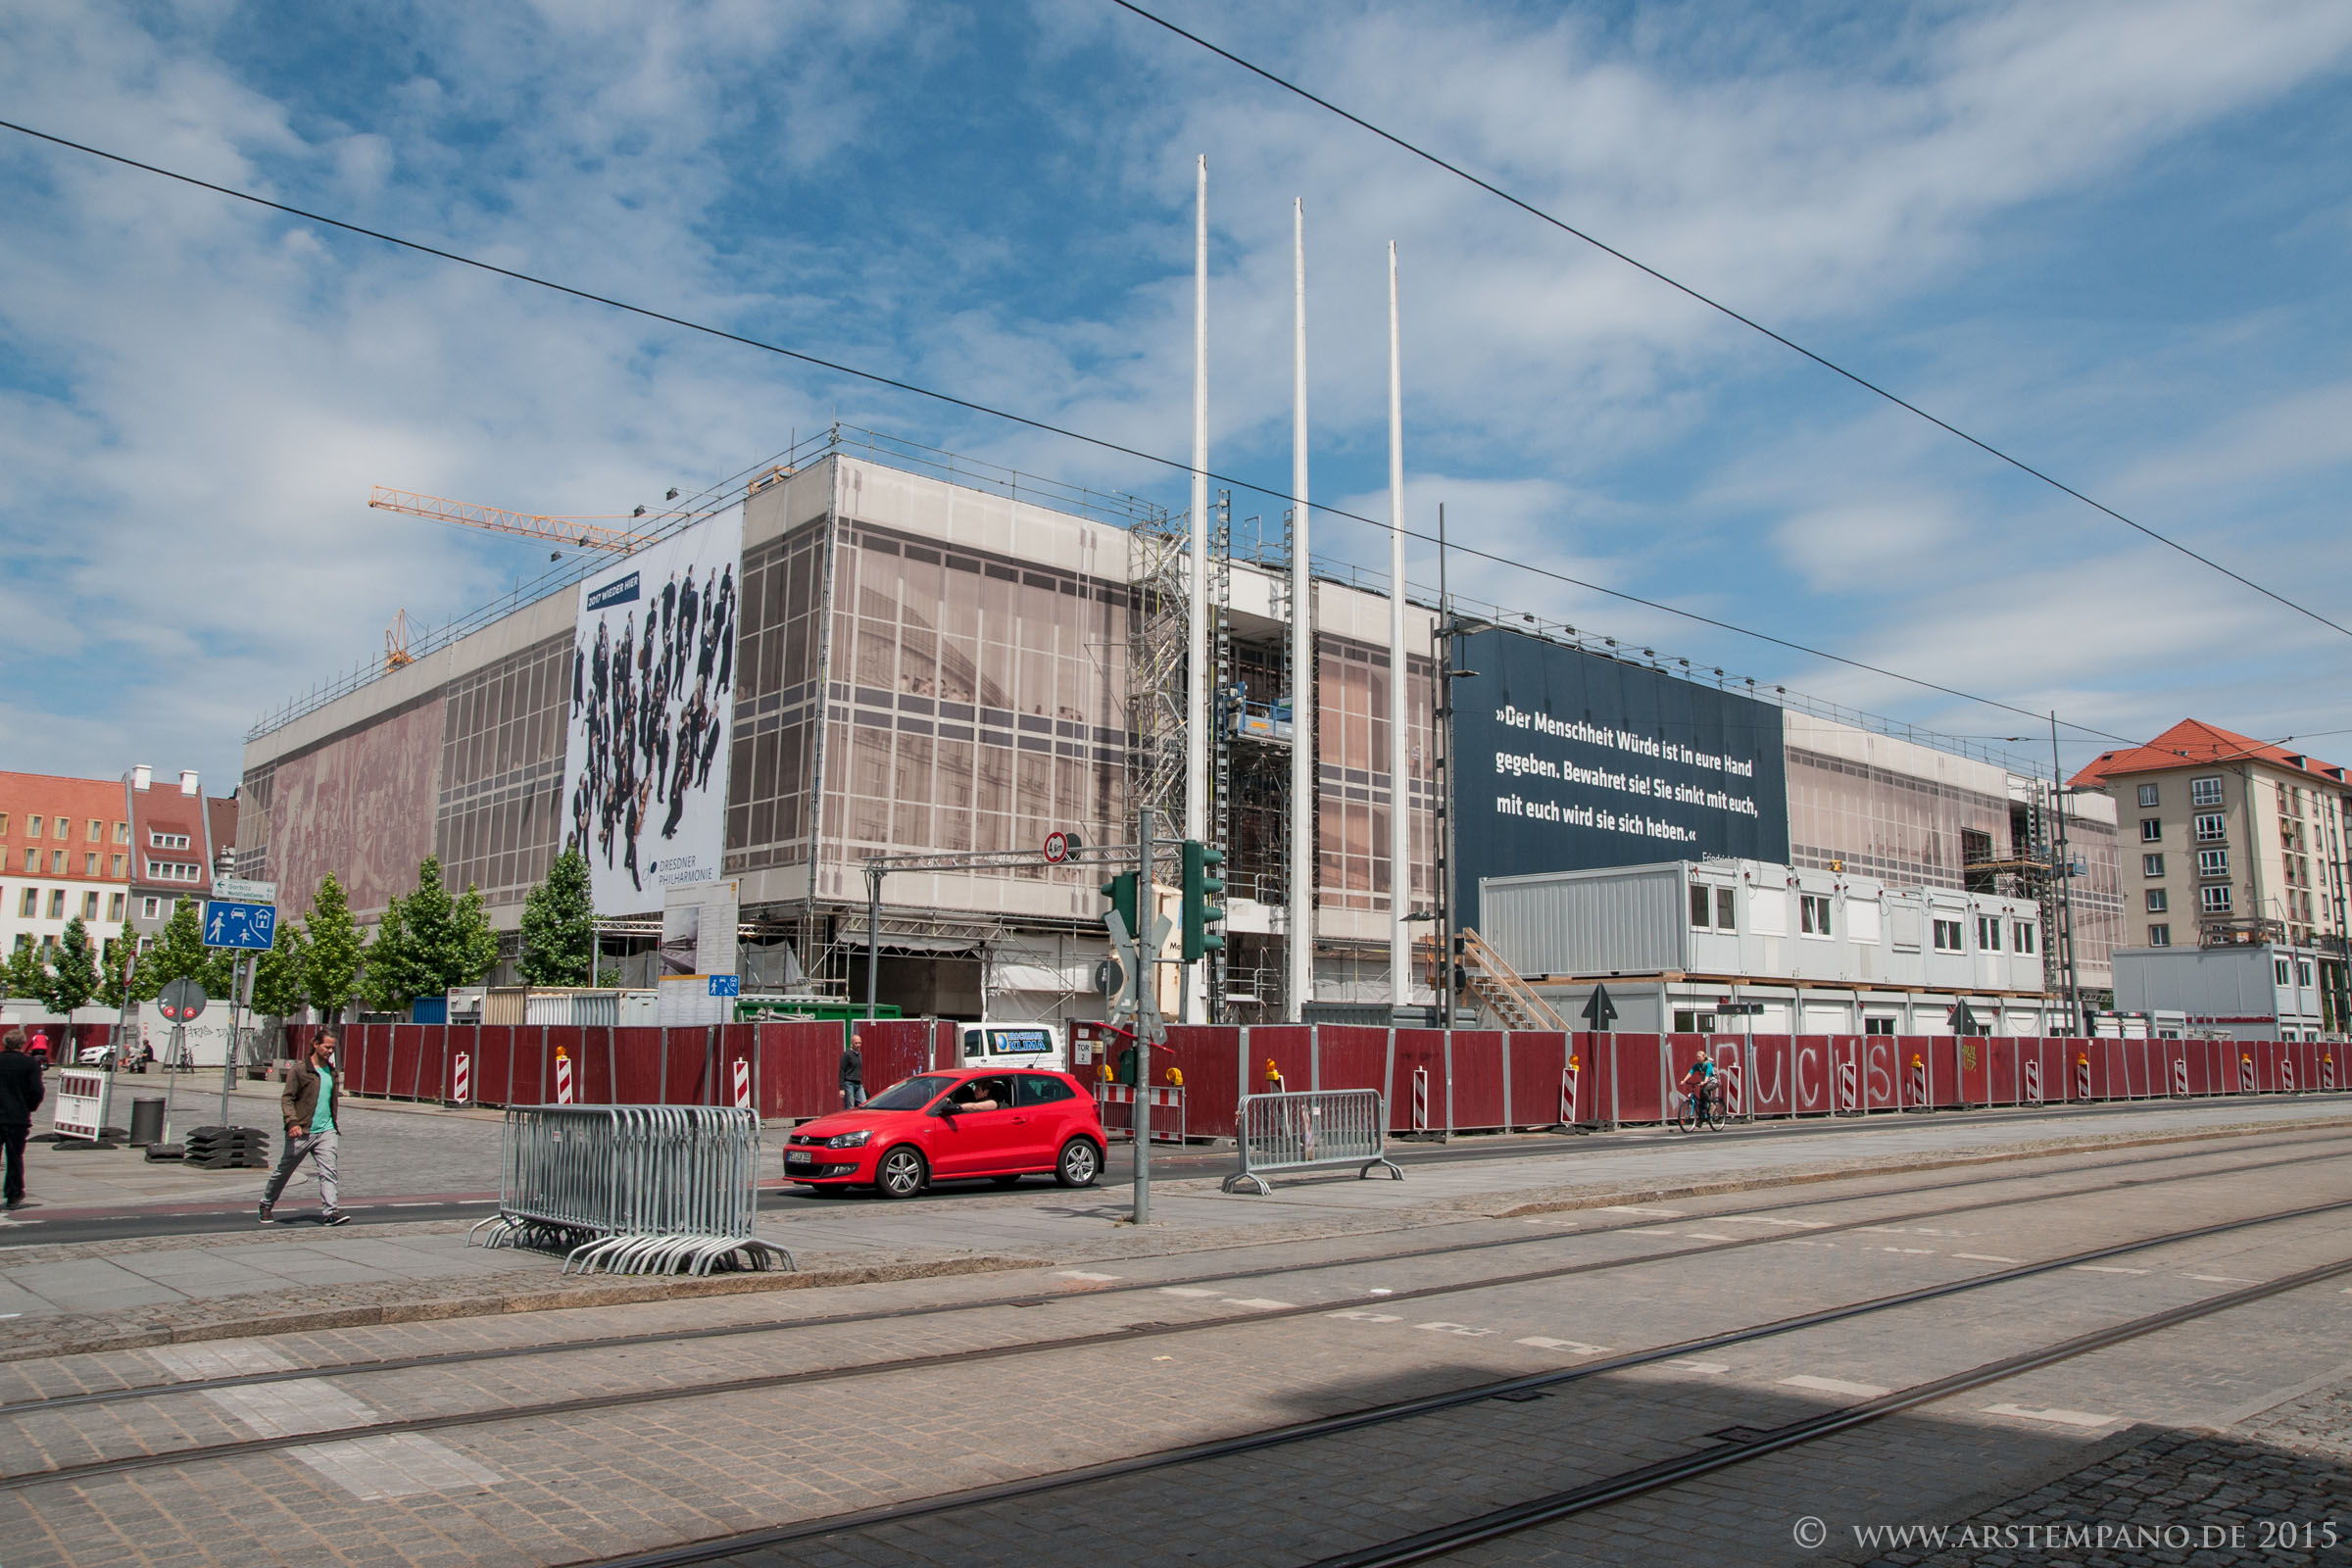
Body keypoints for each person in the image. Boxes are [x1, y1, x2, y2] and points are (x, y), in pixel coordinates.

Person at [260, 1030, 349, 1225]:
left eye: (333, 1048)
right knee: (284, 1171)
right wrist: (292, 1122)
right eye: (326, 1047)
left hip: (326, 1131)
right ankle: (266, 1204)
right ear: (315, 1044)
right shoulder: (300, 1070)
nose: (329, 1051)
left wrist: (332, 1124)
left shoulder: (332, 1072)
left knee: (329, 1171)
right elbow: (287, 1098)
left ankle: (330, 1212)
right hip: (302, 1131)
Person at [0, 1028, 44, 1211]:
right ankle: (13, 1194)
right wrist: (29, 1107)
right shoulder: (29, 1064)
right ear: (21, 1044)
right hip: (17, 1116)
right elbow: (37, 1091)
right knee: (15, 1157)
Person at [1679, 1052, 1717, 1119]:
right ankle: (1701, 1119)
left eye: (1699, 1057)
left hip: (1713, 1082)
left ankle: (1712, 1103)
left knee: (1704, 1090)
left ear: (1704, 1057)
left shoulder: (1708, 1064)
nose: (1697, 1058)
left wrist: (1704, 1081)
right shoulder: (1696, 1065)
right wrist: (1684, 1080)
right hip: (1705, 1082)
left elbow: (1708, 1074)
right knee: (1701, 1101)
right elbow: (1690, 1073)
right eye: (1697, 1057)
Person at [840, 1032, 865, 1109]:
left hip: (858, 1083)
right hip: (849, 1083)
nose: (858, 1045)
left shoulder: (859, 1054)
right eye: (856, 1043)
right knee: (850, 1106)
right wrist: (841, 1088)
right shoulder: (847, 1054)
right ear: (851, 1043)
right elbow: (841, 1070)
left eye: (859, 1043)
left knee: (864, 1104)